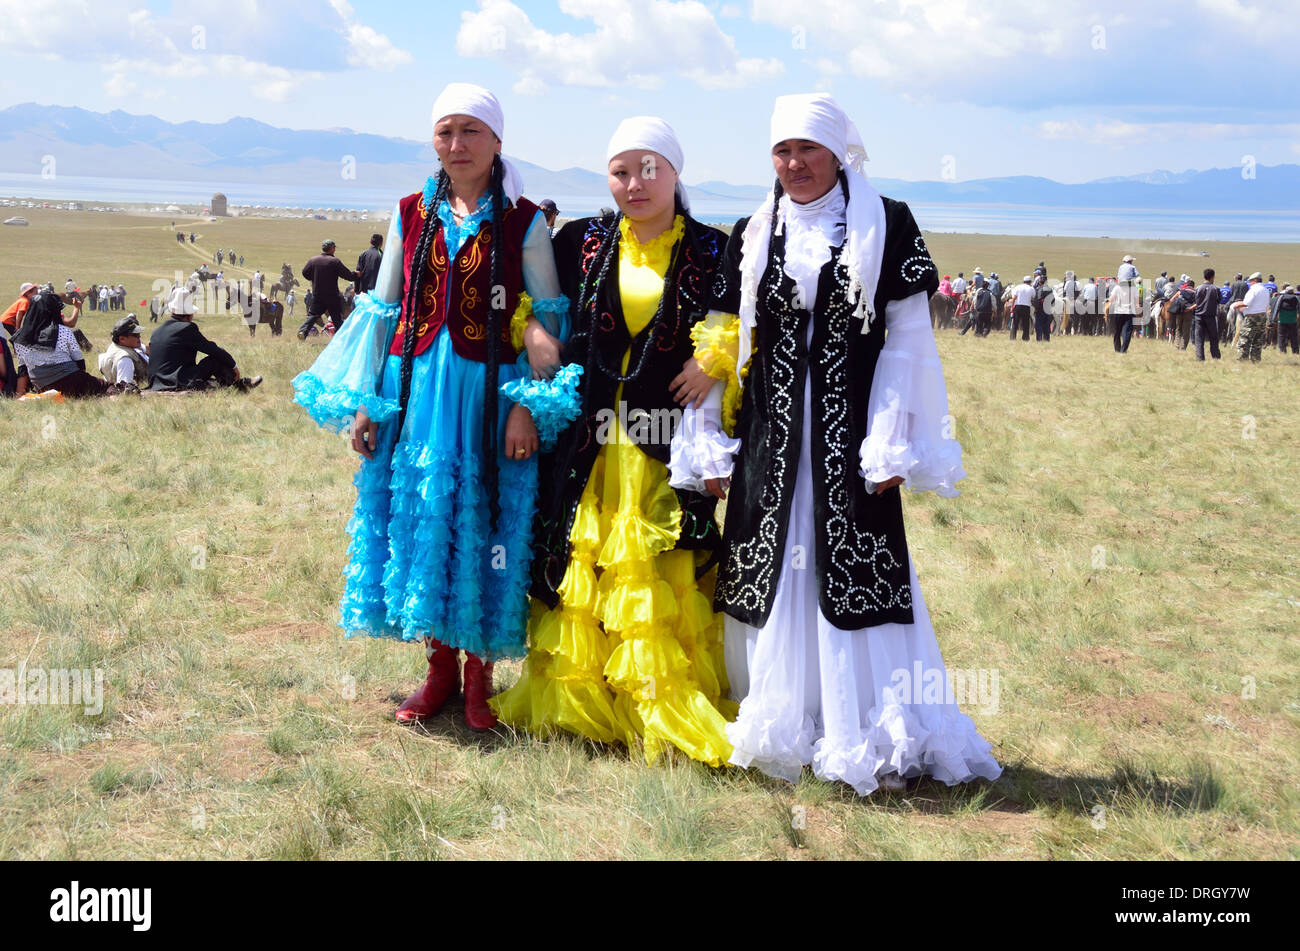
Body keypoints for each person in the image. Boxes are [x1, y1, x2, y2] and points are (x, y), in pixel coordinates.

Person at [674, 92, 1001, 796]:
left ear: (836, 153)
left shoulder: (890, 224)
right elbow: (722, 338)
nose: (794, 164)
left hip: (851, 441)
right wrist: (706, 442)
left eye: (807, 150)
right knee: (770, 573)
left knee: (854, 574)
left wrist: (890, 441)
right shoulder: (754, 230)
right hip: (771, 440)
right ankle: (783, 719)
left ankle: (864, 727)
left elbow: (910, 343)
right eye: (782, 151)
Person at [291, 83, 570, 731]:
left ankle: (479, 679)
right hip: (413, 393)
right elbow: (382, 309)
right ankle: (438, 671)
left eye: (471, 131)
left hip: (487, 399)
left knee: (481, 529)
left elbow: (547, 319)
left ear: (497, 141)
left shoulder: (524, 221)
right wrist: (367, 404)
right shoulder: (410, 213)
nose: (457, 144)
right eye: (446, 132)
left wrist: (529, 405)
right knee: (422, 522)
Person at [491, 117, 737, 766]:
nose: (635, 183)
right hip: (589, 440)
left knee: (656, 577)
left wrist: (715, 358)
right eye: (621, 171)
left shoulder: (715, 250)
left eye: (649, 168)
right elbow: (535, 299)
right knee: (585, 569)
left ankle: (657, 710)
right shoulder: (581, 240)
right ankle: (583, 705)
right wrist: (533, 334)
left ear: (676, 174)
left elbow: (741, 319)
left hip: (667, 444)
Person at [151, 283, 262, 391]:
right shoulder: (187, 328)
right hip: (178, 381)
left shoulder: (156, 331)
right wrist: (233, 365)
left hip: (155, 382)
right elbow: (211, 349)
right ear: (189, 314)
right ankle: (238, 385)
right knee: (213, 361)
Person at [11, 289, 115, 398]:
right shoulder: (62, 331)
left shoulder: (20, 337)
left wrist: (19, 396)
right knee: (108, 388)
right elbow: (80, 363)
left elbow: (23, 371)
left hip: (42, 385)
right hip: (71, 379)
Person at [297, 240, 358, 340]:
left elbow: (304, 273)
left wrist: (314, 278)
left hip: (317, 294)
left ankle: (302, 332)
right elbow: (348, 275)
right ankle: (341, 338)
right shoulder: (335, 261)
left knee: (312, 316)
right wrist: (356, 275)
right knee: (337, 317)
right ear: (332, 248)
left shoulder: (313, 260)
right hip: (332, 295)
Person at [97, 314, 150, 390]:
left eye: (139, 334)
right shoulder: (125, 360)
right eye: (136, 335)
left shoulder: (117, 346)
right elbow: (125, 388)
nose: (139, 337)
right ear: (122, 339)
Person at [1230, 272, 1269, 363]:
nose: (1249, 283)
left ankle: (1242, 361)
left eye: (1250, 281)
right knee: (1257, 340)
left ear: (1255, 281)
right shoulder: (1265, 290)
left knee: (1244, 340)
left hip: (1252, 318)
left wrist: (1236, 305)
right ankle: (1255, 360)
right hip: (1262, 316)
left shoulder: (1254, 289)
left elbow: (1246, 303)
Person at [1106, 267, 1140, 353]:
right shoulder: (1134, 288)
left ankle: (1117, 349)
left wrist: (1108, 300)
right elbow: (1137, 302)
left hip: (1118, 312)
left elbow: (1111, 299)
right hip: (1129, 313)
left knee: (1117, 332)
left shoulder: (1117, 288)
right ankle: (1123, 350)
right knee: (1127, 333)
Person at [1192, 268, 1222, 361]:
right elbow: (1219, 300)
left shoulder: (1198, 288)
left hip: (1199, 317)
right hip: (1211, 317)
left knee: (1199, 339)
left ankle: (1200, 358)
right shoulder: (1216, 289)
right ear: (1212, 276)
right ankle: (1216, 357)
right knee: (1214, 338)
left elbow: (1195, 301)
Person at [1275, 283, 1298, 355]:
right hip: (1293, 320)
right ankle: (1295, 351)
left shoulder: (1281, 297)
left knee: (1281, 336)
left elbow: (1277, 308)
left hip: (1282, 320)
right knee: (1294, 336)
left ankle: (1282, 351)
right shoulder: (1296, 298)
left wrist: (1273, 318)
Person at [1010, 276, 1033, 341]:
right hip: (1026, 307)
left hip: (1017, 306)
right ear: (1030, 282)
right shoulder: (1031, 288)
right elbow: (1033, 297)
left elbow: (1014, 298)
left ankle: (1012, 337)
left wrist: (1012, 307)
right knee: (1026, 323)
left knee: (1015, 323)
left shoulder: (1017, 287)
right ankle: (1025, 338)